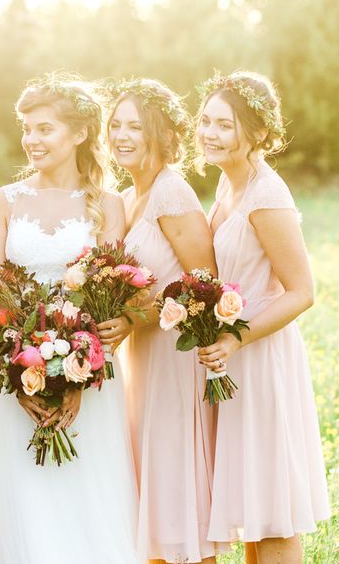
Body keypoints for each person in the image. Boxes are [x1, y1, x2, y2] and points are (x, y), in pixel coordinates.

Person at [0, 74, 139, 564]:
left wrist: (76, 375)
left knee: (90, 497)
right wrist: (20, 374)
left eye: (44, 129)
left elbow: (109, 295)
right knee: (25, 497)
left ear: (79, 133)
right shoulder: (2, 201)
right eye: (27, 129)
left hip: (90, 376)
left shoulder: (109, 205)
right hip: (13, 371)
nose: (31, 140)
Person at [196, 71, 329, 564]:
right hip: (234, 360)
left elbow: (302, 292)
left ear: (254, 132)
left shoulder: (266, 195)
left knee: (270, 509)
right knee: (253, 501)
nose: (209, 133)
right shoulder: (229, 188)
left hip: (261, 355)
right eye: (206, 121)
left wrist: (236, 338)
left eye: (224, 125)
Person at [106, 78, 220, 563]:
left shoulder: (172, 193)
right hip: (143, 360)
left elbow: (205, 283)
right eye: (115, 125)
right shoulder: (131, 197)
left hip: (175, 360)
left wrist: (137, 316)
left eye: (135, 126)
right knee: (154, 498)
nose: (122, 135)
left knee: (177, 500)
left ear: (160, 134)